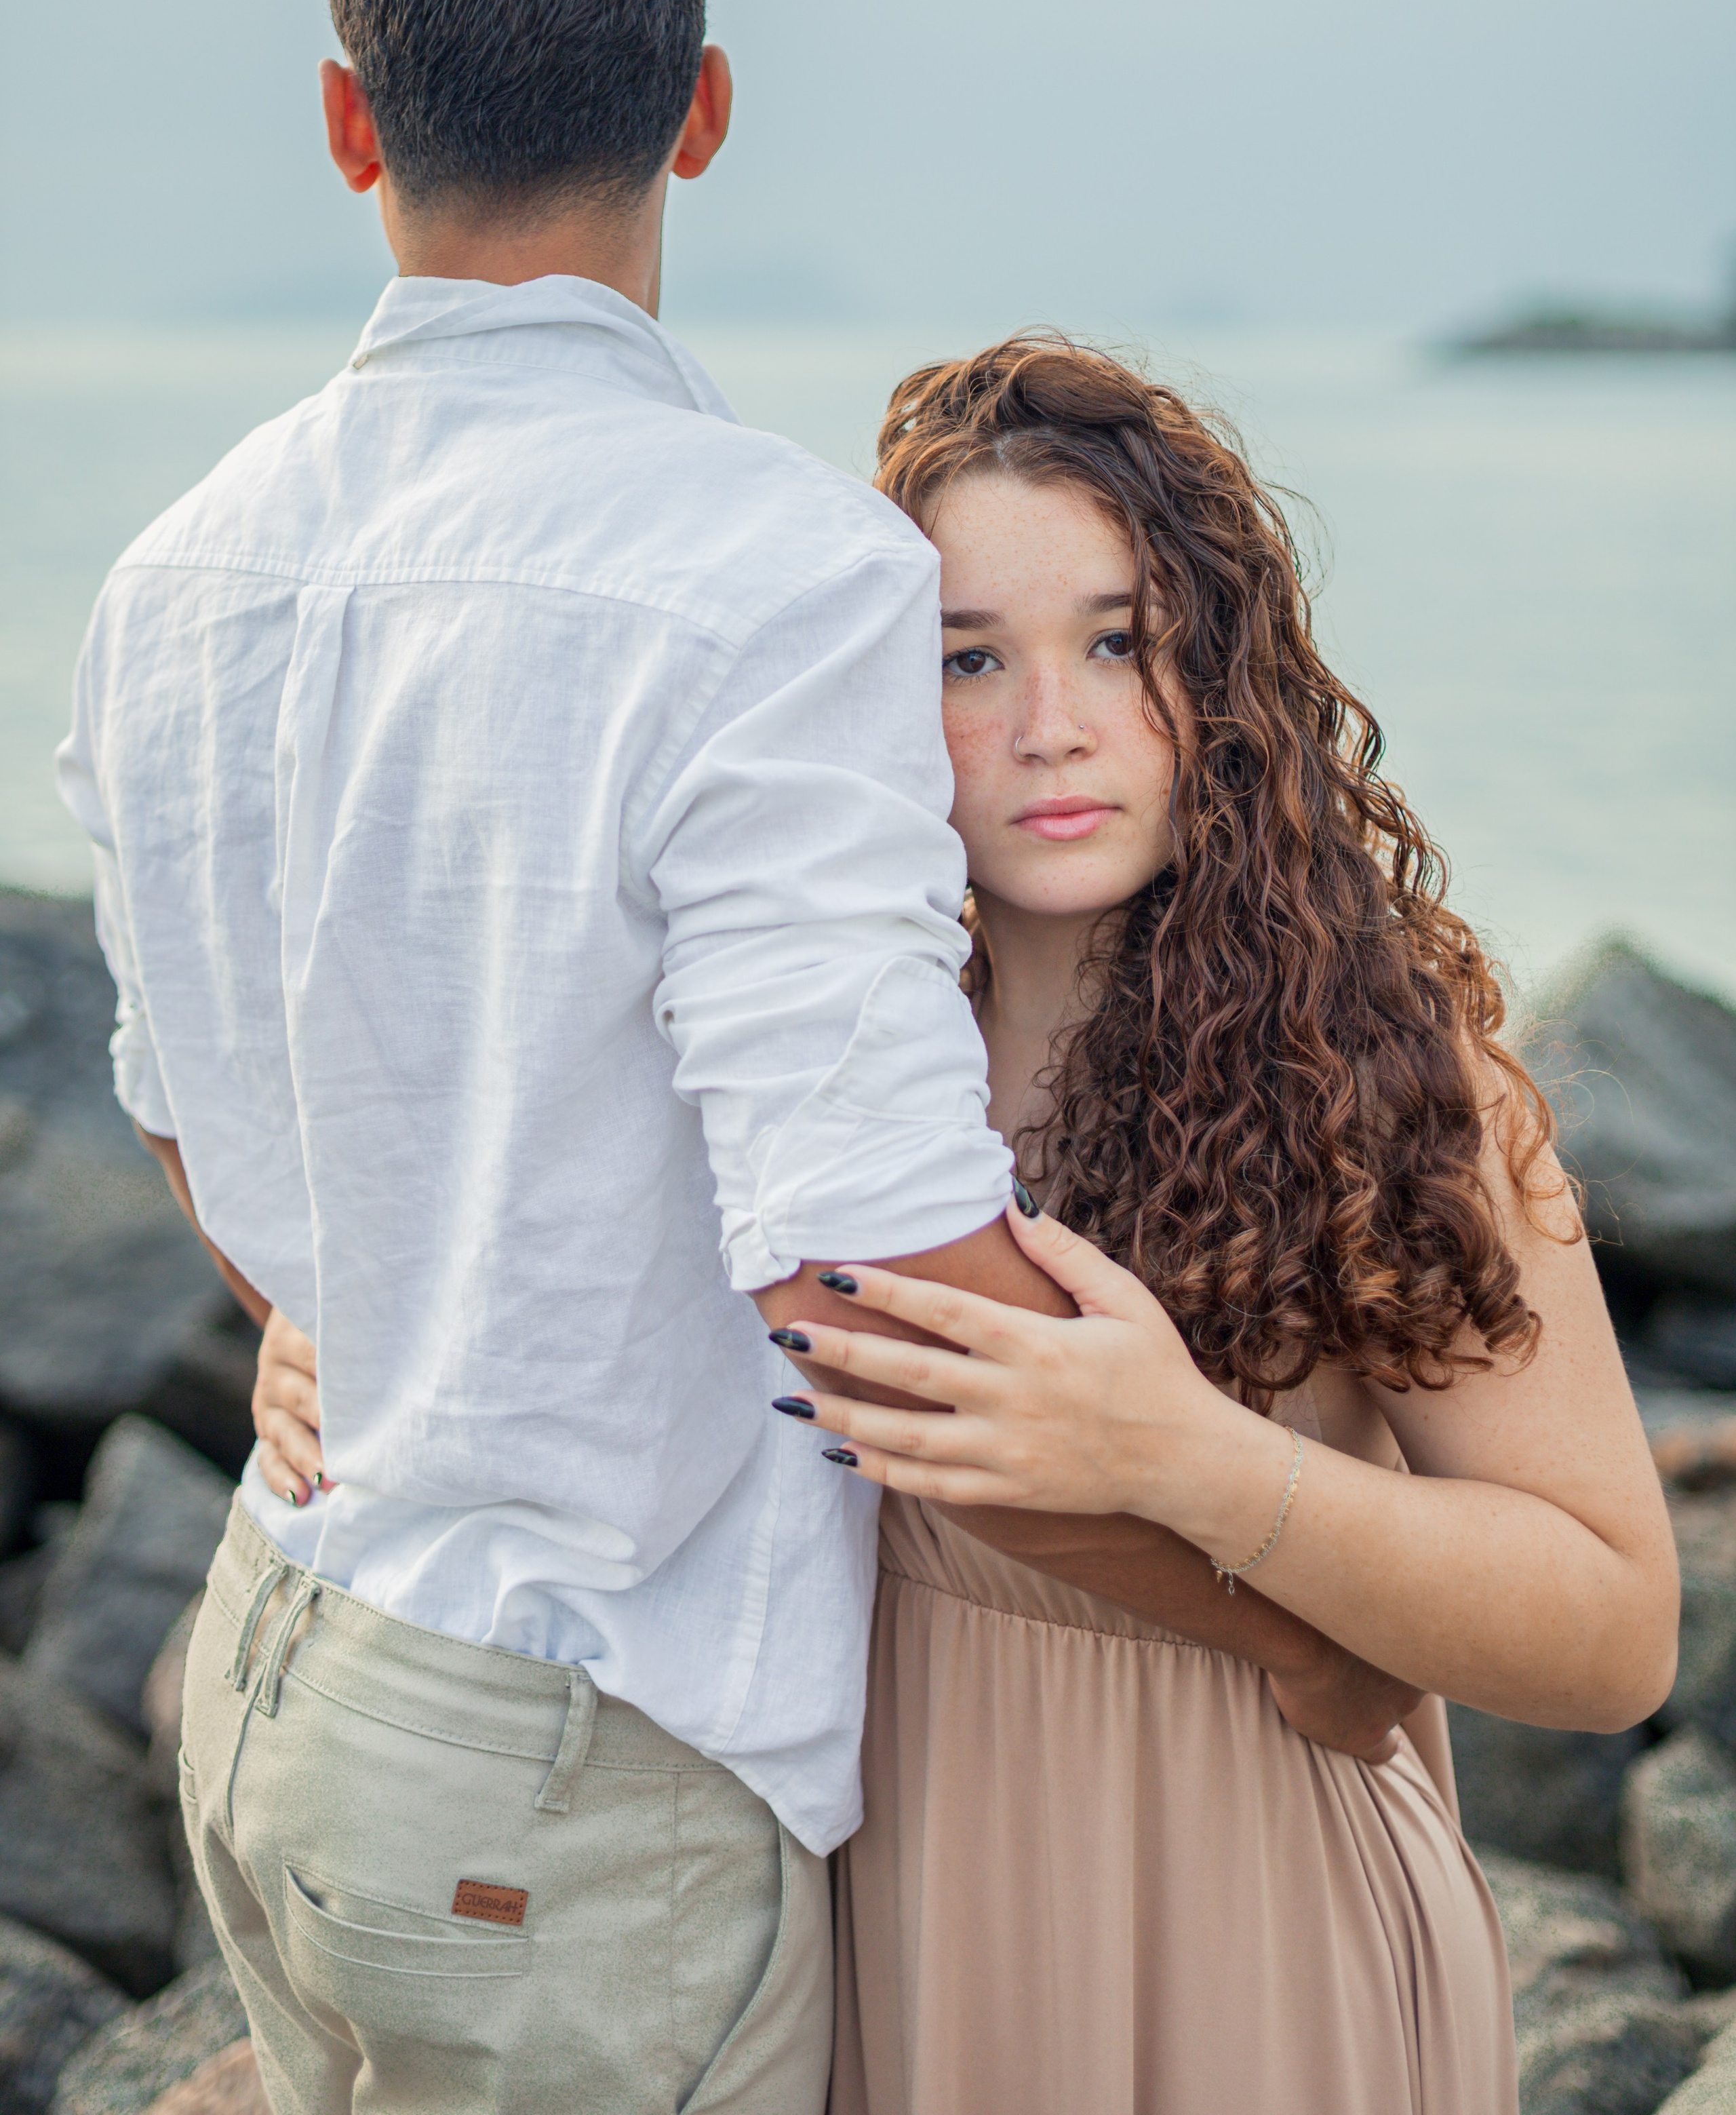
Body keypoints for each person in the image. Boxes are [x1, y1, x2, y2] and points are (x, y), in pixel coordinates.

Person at [58, 0, 1403, 2115]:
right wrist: (1293, 1626)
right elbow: (869, 1280)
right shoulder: (771, 579)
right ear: (700, 110)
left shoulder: (173, 572)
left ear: (348, 123)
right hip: (579, 1769)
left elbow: (193, 1112)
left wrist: (354, 1321)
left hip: (282, 1662)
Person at [257, 332, 1679, 2111]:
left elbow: (1617, 1631)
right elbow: (525, 1260)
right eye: (965, 660)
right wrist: (329, 1344)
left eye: (1116, 640)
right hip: (887, 1895)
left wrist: (1198, 1464)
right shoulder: (797, 1045)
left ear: (1217, 671)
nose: (1050, 726)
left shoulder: (1377, 1065)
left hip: (1256, 1912)